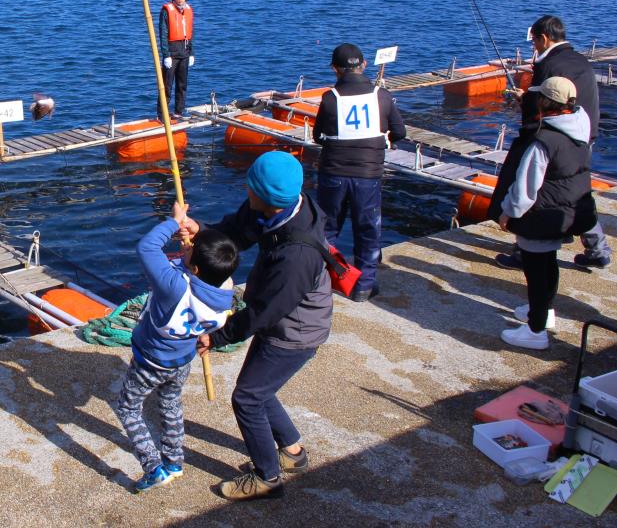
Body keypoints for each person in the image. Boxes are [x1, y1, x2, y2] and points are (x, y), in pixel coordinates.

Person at [184, 151, 332, 502]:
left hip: (295, 330)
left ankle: (267, 477)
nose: (245, 191)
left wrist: (217, 336)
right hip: (279, 315)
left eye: (250, 187)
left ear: (265, 197)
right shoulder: (276, 207)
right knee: (259, 389)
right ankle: (293, 454)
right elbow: (238, 232)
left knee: (247, 398)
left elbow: (263, 312)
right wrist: (202, 232)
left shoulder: (297, 255)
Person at [116, 201, 238, 493]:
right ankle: (174, 461)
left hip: (150, 361)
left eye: (189, 248)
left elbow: (147, 248)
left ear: (194, 267)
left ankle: (153, 466)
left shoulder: (174, 286)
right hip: (182, 359)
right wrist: (191, 245)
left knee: (127, 409)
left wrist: (175, 221)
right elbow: (214, 259)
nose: (186, 245)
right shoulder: (224, 289)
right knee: (170, 405)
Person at [488, 77, 596, 349]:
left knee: (536, 273)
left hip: (540, 216)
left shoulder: (543, 141)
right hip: (565, 213)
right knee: (549, 265)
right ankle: (544, 312)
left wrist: (507, 213)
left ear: (546, 102)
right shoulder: (580, 128)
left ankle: (536, 331)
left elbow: (526, 186)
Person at [497, 14, 611, 269]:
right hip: (583, 132)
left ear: (544, 38)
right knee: (578, 194)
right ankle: (598, 249)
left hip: (556, 136)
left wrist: (523, 100)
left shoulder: (549, 66)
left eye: (534, 42)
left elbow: (541, 106)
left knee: (538, 192)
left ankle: (524, 252)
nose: (533, 47)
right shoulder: (579, 59)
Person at [312, 43, 406, 302]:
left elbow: (319, 136)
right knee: (368, 229)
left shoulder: (331, 98)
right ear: (363, 65)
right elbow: (400, 132)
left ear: (335, 69)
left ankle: (326, 279)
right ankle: (364, 285)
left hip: (333, 172)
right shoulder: (381, 95)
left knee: (327, 228)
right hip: (368, 174)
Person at [158, 0, 194, 117]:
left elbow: (191, 33)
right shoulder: (166, 11)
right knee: (167, 86)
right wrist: (166, 54)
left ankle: (179, 112)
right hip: (171, 54)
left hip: (184, 53)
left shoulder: (188, 10)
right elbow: (163, 34)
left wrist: (192, 53)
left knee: (182, 85)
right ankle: (162, 114)